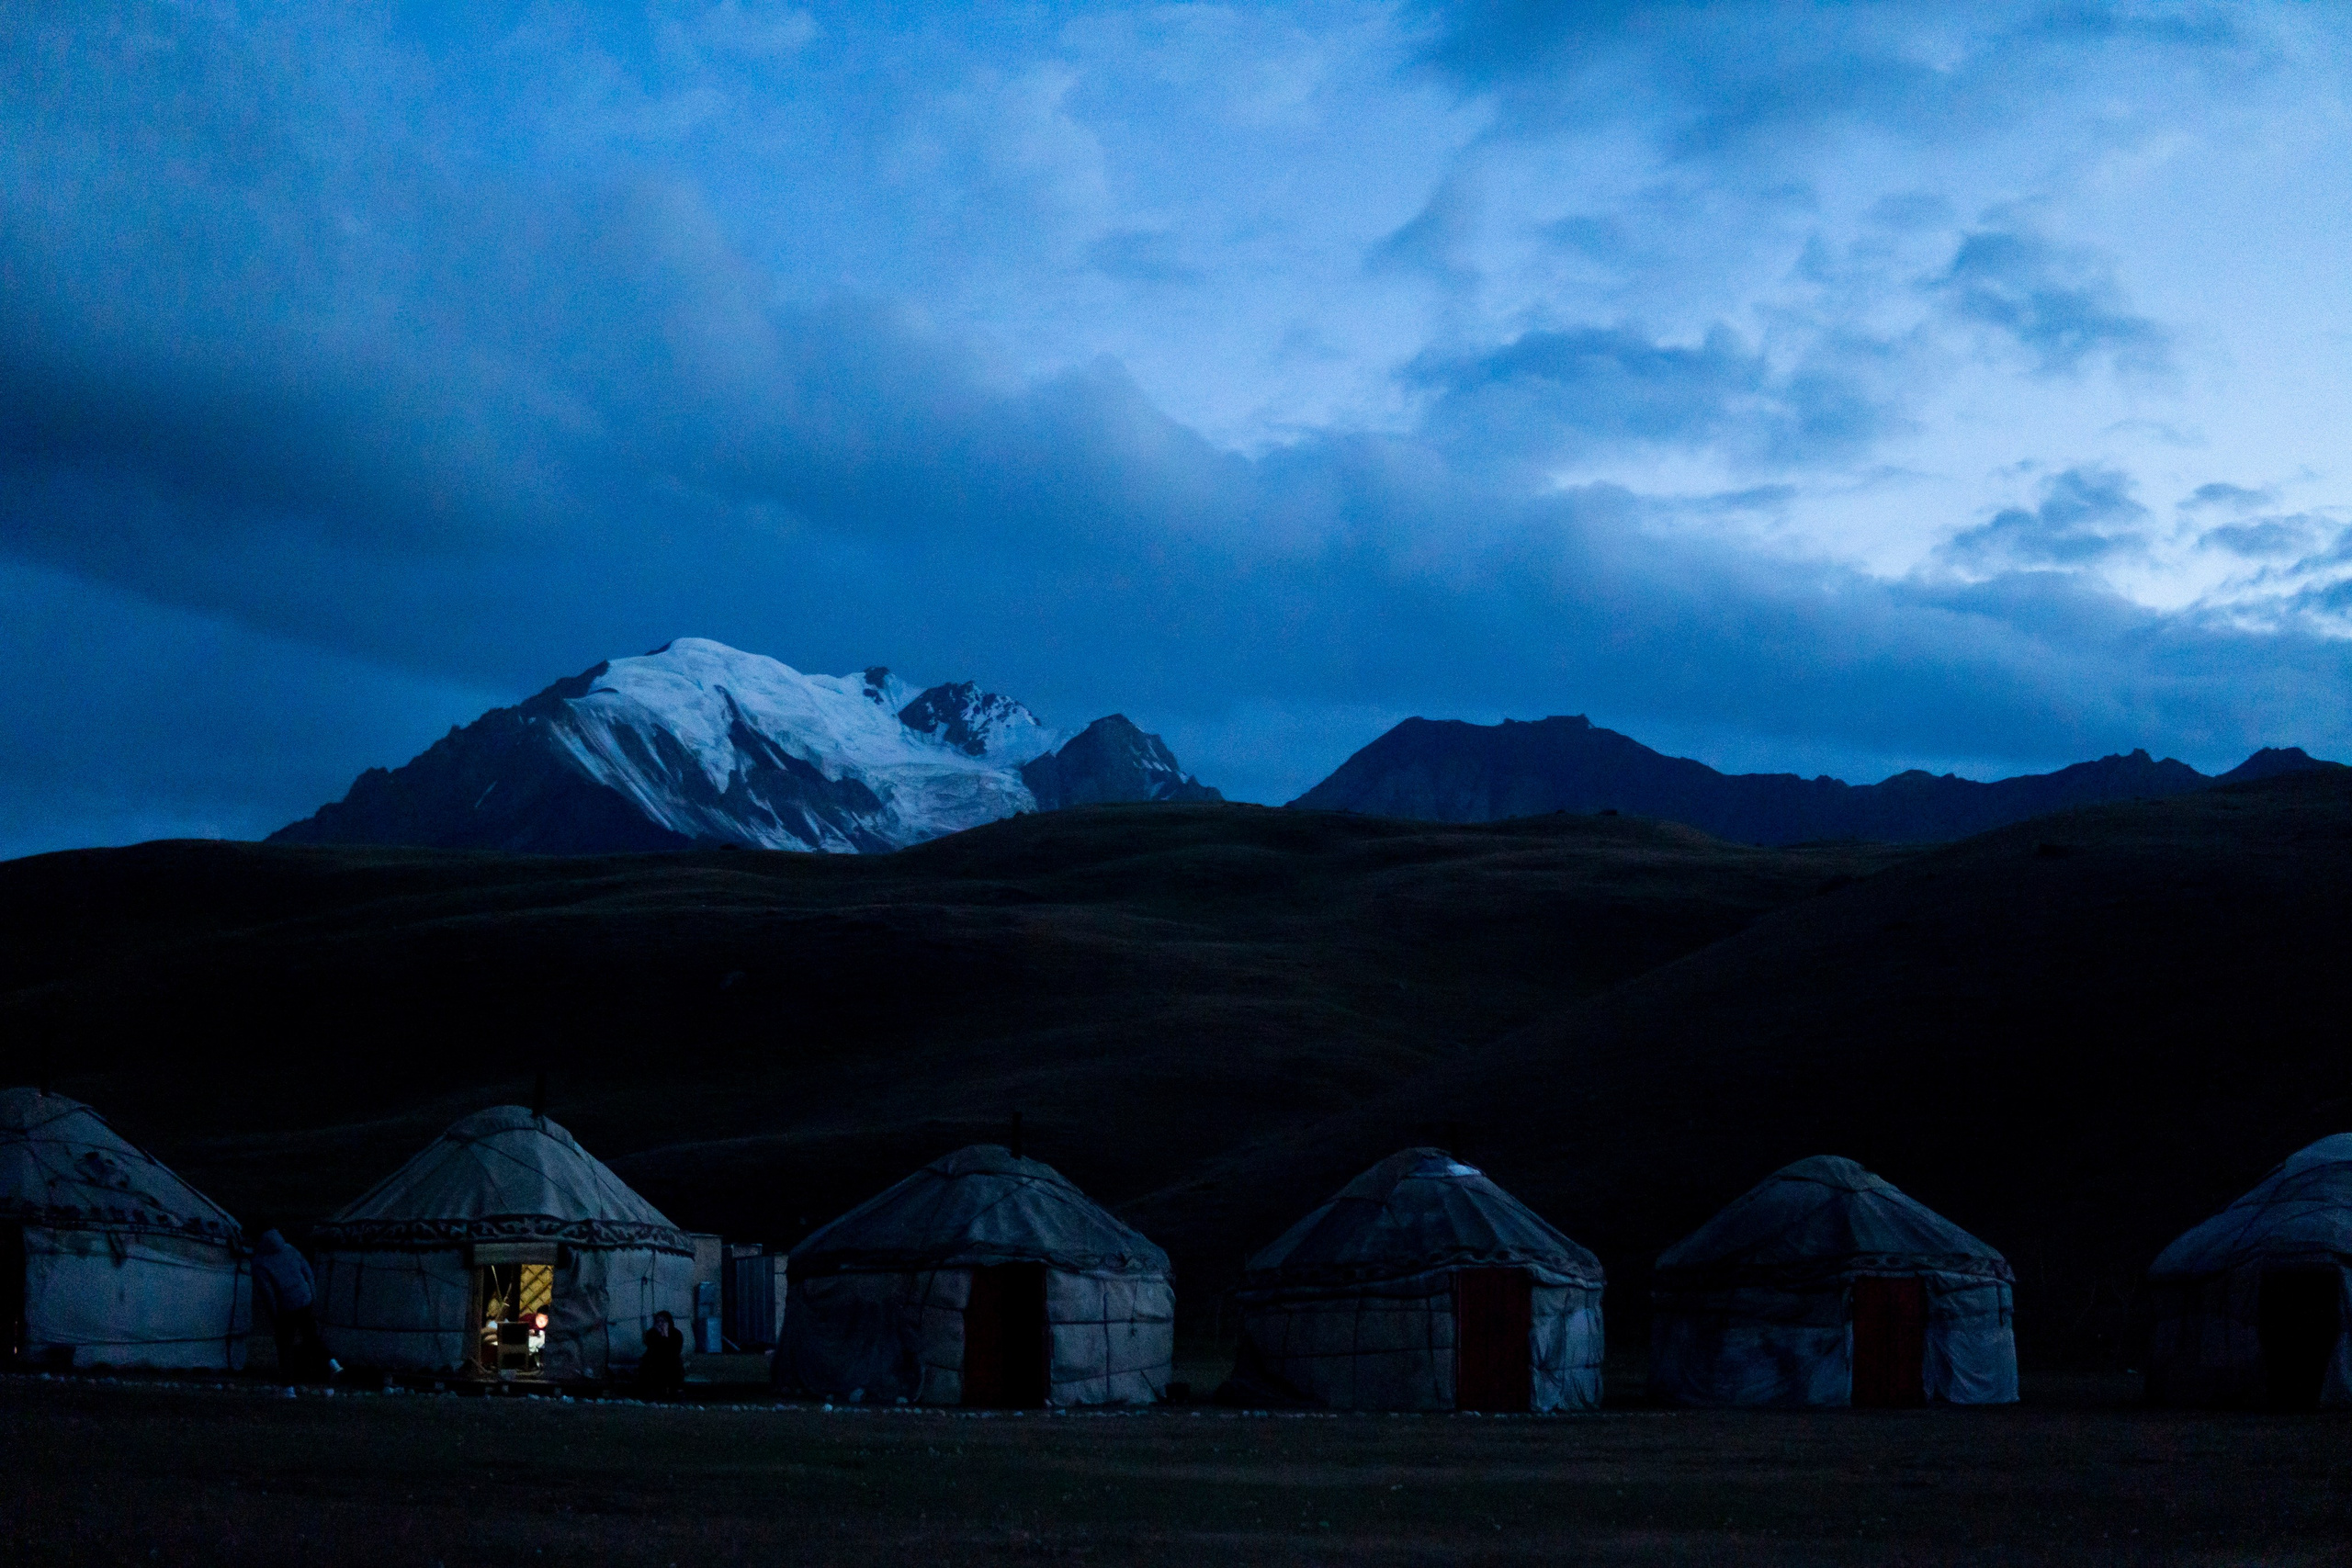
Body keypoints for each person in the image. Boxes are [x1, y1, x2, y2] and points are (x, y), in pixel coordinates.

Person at [252, 1228, 330, 1382]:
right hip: (304, 1300)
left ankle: (289, 1383)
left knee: (285, 1344)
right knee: (311, 1336)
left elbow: (268, 1293)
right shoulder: (290, 1250)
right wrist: (313, 1296)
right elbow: (308, 1273)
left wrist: (274, 1315)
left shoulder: (260, 1263)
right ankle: (326, 1367)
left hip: (286, 1307)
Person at [639, 1309, 687, 1400]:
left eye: (663, 1321)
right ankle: (652, 1390)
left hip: (671, 1359)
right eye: (658, 1321)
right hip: (655, 1359)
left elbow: (674, 1350)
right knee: (650, 1365)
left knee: (675, 1364)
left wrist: (666, 1335)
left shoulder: (676, 1334)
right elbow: (653, 1349)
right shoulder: (651, 1333)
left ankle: (676, 1390)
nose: (660, 1324)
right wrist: (660, 1336)